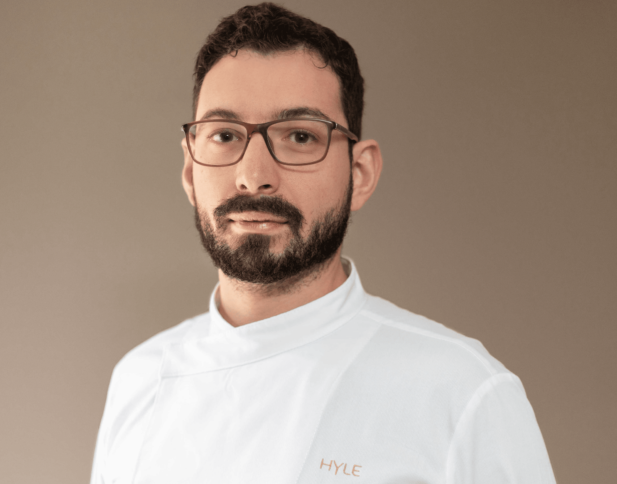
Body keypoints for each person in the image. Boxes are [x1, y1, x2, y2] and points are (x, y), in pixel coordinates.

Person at [90, 3, 556, 483]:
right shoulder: (138, 379)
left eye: (299, 136)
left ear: (360, 174)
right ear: (191, 172)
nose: (253, 176)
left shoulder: (462, 392)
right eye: (225, 135)